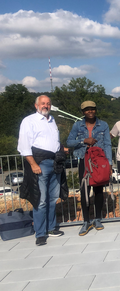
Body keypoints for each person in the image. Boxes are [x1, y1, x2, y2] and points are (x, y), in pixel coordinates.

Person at [17, 95, 65, 246]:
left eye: (48, 103)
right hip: (40, 163)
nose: (46, 105)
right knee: (41, 200)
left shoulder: (52, 120)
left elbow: (54, 142)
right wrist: (33, 164)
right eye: (43, 103)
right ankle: (40, 233)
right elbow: (24, 146)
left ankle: (51, 228)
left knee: (52, 198)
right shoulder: (29, 121)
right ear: (36, 105)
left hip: (54, 163)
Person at [66, 101, 112, 235]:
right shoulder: (77, 125)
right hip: (84, 161)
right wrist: (83, 141)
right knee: (84, 191)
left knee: (98, 189)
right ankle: (86, 221)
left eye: (92, 109)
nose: (90, 111)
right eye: (87, 110)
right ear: (83, 112)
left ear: (96, 110)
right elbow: (69, 142)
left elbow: (108, 144)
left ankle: (97, 219)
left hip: (99, 161)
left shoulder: (103, 125)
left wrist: (109, 163)